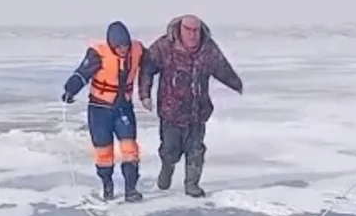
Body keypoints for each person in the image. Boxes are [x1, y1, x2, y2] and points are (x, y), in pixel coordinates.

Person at [138, 14, 243, 198]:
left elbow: (222, 68)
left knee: (196, 151)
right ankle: (167, 168)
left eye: (196, 30)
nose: (193, 35)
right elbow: (147, 68)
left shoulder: (208, 48)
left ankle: (192, 185)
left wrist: (237, 85)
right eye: (188, 30)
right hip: (171, 113)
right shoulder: (164, 46)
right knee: (170, 151)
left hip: (197, 112)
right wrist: (145, 95)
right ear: (180, 29)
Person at [61, 21, 144, 202]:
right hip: (99, 110)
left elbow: (152, 65)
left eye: (126, 45)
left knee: (130, 148)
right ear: (112, 45)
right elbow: (82, 73)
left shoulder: (137, 50)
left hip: (123, 108)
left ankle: (131, 189)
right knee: (103, 151)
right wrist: (70, 90)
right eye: (119, 46)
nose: (123, 49)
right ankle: (107, 184)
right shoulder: (97, 54)